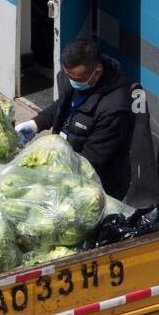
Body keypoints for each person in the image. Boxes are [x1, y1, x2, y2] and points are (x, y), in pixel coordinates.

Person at [15, 38, 136, 199]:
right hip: (65, 163)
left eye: (76, 79)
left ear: (97, 71)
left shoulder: (115, 109)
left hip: (94, 186)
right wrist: (35, 124)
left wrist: (49, 168)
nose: (72, 82)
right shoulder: (74, 77)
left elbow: (92, 160)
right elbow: (63, 105)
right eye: (68, 75)